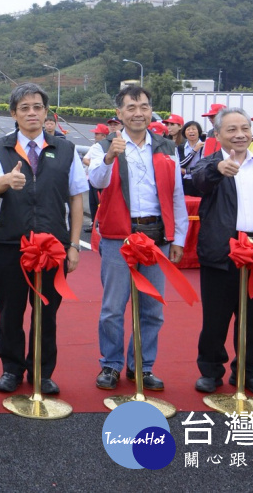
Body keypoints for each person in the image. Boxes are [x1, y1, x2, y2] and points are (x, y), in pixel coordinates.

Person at [0, 83, 87, 396]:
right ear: (13, 113)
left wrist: (73, 245)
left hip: (52, 246)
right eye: (24, 108)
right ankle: (11, 369)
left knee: (47, 311)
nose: (31, 113)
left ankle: (42, 371)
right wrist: (8, 179)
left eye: (37, 107)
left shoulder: (65, 149)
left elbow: (77, 199)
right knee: (10, 310)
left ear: (45, 113)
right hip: (10, 243)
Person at [88, 85, 188, 391]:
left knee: (152, 308)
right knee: (113, 307)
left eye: (144, 107)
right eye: (131, 107)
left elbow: (177, 195)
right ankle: (111, 364)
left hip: (156, 236)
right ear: (119, 113)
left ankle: (142, 366)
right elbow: (96, 182)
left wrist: (179, 238)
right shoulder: (105, 145)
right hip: (119, 236)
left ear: (151, 111)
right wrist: (108, 157)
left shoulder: (166, 147)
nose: (138, 113)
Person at [186, 107, 253, 397]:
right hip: (222, 252)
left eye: (244, 128)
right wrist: (217, 170)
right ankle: (210, 371)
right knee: (216, 317)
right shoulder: (208, 164)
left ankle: (248, 371)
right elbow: (197, 181)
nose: (240, 134)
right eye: (231, 129)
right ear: (218, 135)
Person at [84, 123, 111, 222]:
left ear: (104, 136)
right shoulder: (95, 147)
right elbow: (85, 159)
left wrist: (100, 167)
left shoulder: (110, 147)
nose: (95, 136)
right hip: (92, 179)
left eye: (97, 134)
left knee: (101, 203)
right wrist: (96, 166)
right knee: (93, 203)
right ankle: (93, 223)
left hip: (103, 182)